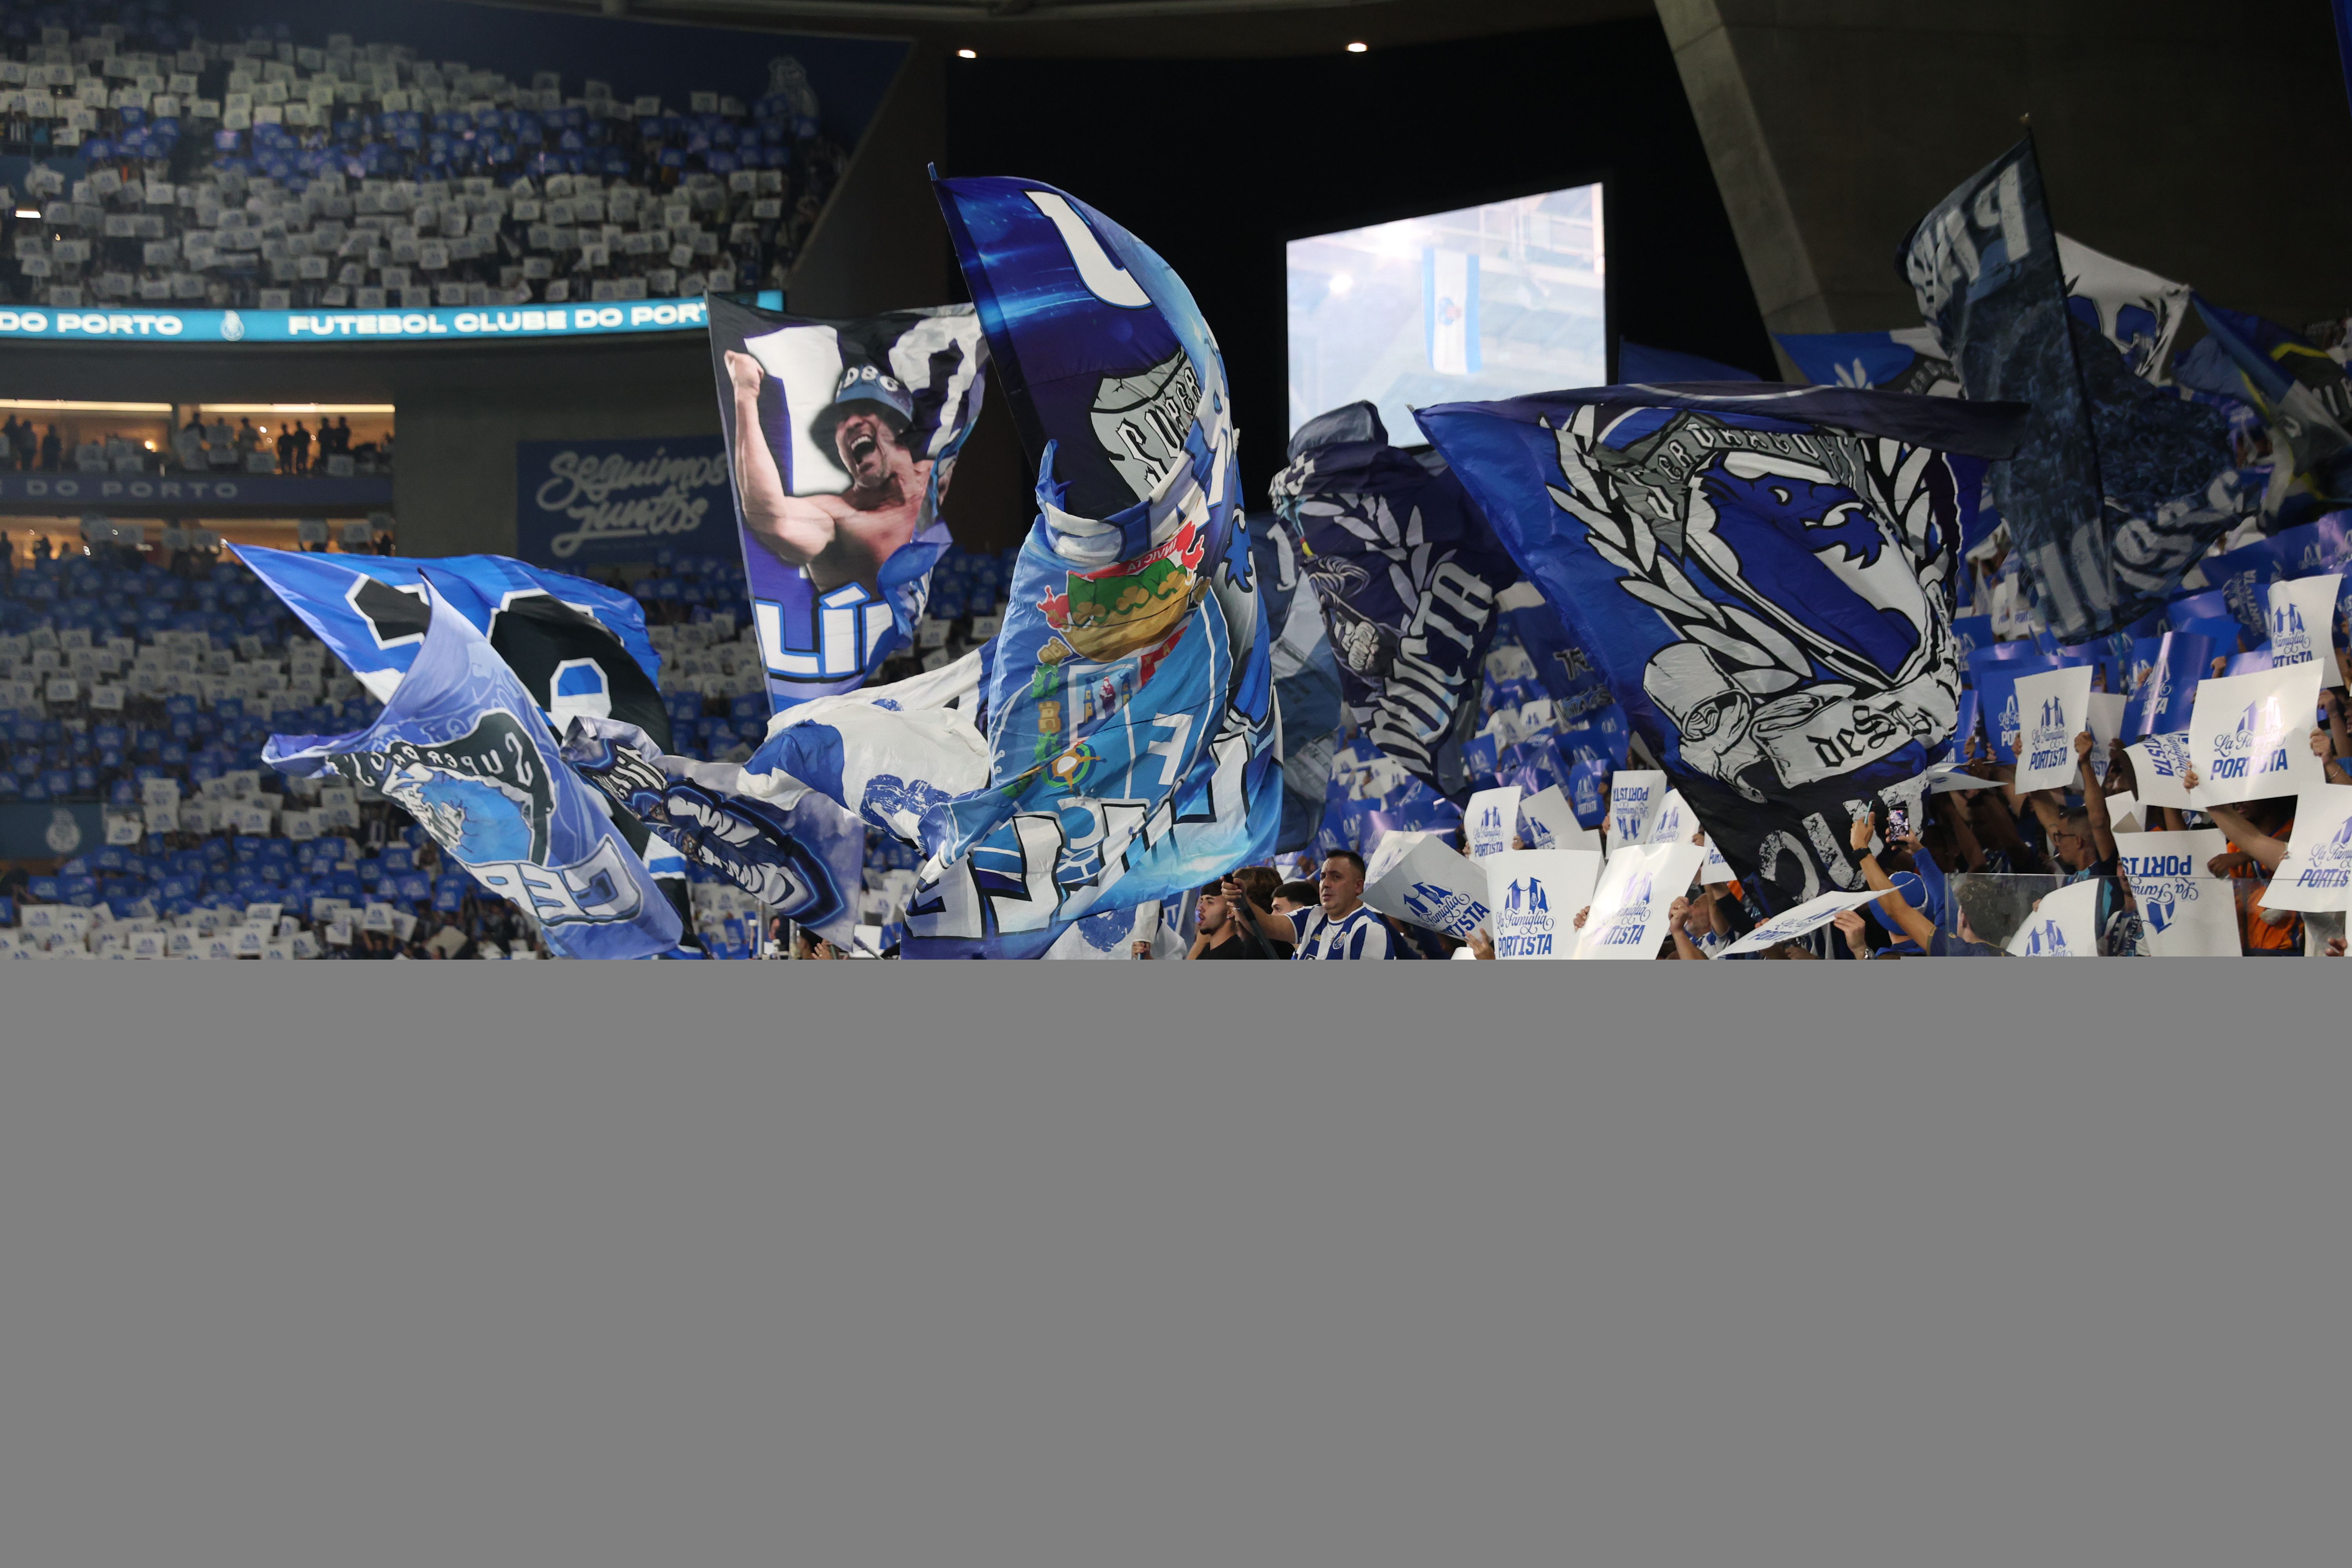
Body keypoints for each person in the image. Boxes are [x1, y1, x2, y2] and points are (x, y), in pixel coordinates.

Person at [723, 354, 940, 595]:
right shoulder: (838, 519)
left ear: (898, 426)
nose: (852, 423)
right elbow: (771, 518)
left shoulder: (940, 479)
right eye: (842, 418)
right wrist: (746, 394)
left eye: (865, 410)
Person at [1293, 849, 1393, 960]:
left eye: (1336, 877)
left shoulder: (1370, 929)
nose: (1325, 884)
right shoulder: (1313, 915)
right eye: (1323, 877)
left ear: (1358, 886)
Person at [1187, 875, 1294, 959]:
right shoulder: (1205, 947)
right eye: (1201, 901)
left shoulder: (1251, 948)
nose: (1200, 908)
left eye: (1210, 902)